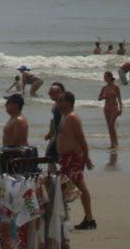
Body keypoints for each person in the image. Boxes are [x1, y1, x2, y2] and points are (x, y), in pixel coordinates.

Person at [56, 91, 95, 230]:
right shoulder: (63, 116)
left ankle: (89, 218)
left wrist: (87, 158)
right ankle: (66, 218)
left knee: (79, 186)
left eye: (61, 100)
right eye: (57, 100)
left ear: (69, 103)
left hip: (73, 157)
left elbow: (81, 139)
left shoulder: (73, 117)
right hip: (65, 158)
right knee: (64, 188)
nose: (58, 103)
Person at [98, 70, 123, 149]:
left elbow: (119, 99)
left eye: (105, 76)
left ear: (110, 77)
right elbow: (99, 98)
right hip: (106, 108)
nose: (104, 78)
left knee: (111, 126)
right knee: (110, 127)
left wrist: (121, 109)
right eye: (104, 77)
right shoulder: (104, 88)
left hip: (114, 107)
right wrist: (103, 97)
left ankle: (113, 144)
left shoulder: (116, 87)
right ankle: (114, 143)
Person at [43, 81, 65, 163]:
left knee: (50, 156)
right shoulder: (55, 105)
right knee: (51, 157)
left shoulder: (62, 105)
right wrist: (50, 133)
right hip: (56, 134)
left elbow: (64, 120)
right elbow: (53, 120)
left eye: (53, 93)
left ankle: (57, 173)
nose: (51, 95)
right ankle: (56, 173)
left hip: (61, 135)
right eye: (50, 93)